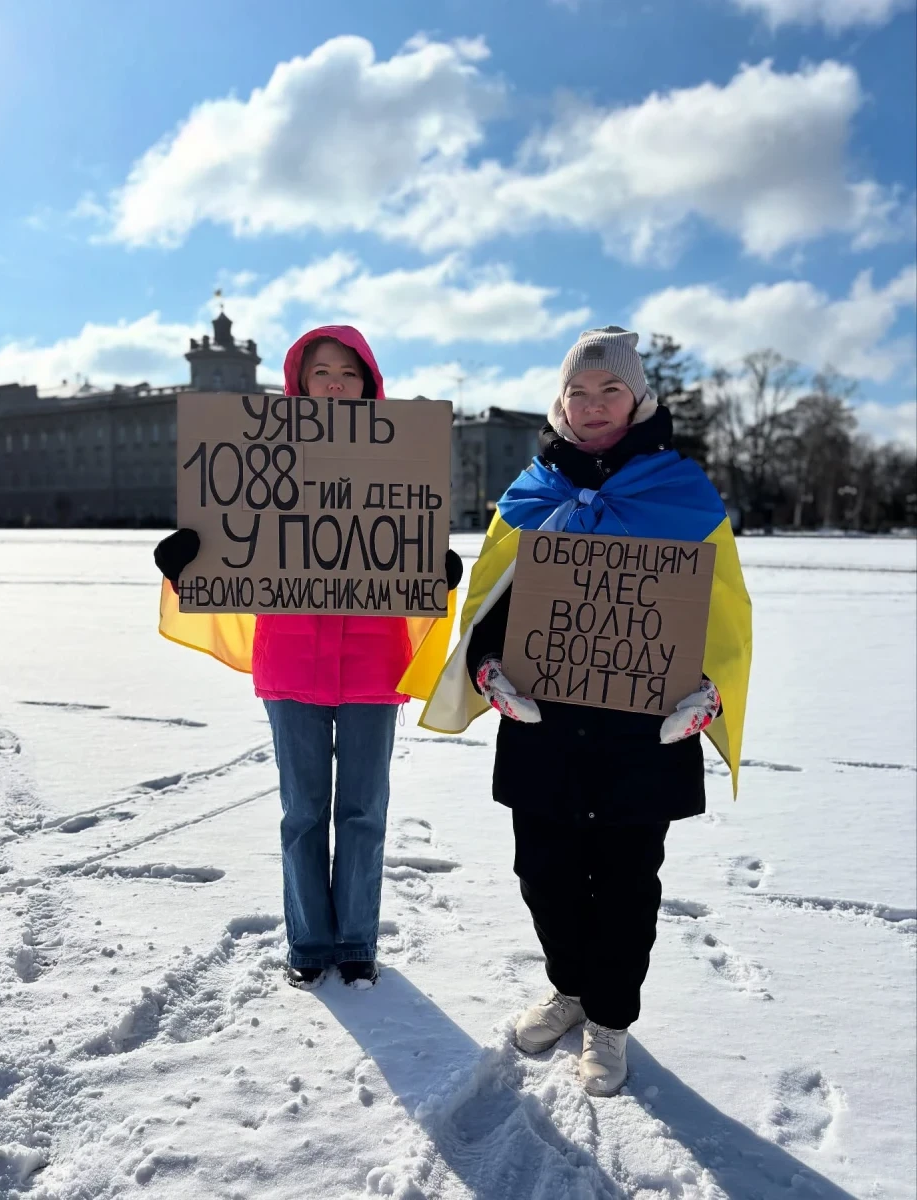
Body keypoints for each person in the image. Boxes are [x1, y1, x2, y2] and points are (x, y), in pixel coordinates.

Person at [418, 327, 751, 1096]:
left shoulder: (685, 494)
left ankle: (609, 1019)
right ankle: (569, 989)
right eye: (579, 391)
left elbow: (723, 613)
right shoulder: (530, 493)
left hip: (645, 732)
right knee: (544, 873)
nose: (594, 405)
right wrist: (487, 667)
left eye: (610, 390)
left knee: (630, 884)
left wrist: (709, 686)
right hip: (542, 730)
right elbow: (488, 605)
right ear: (559, 403)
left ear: (639, 399)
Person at [154, 326, 462, 991]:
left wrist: (433, 569)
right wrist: (187, 561)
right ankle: (309, 940)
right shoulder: (256, 456)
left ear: (368, 384)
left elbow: (409, 544)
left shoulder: (399, 461)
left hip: (374, 662)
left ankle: (354, 941)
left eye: (348, 374)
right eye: (321, 372)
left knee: (362, 811)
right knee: (301, 812)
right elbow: (230, 543)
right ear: (297, 382)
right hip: (291, 659)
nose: (334, 384)